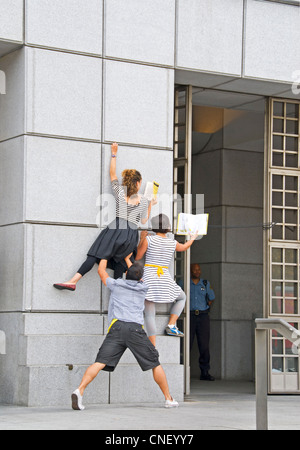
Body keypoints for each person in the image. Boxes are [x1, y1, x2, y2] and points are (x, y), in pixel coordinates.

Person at [71, 255, 179, 410]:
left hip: (117, 327)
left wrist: (104, 254)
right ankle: (168, 399)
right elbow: (136, 274)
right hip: (135, 329)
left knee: (99, 362)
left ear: (126, 274)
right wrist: (130, 262)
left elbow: (101, 271)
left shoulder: (116, 284)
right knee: (155, 363)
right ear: (140, 277)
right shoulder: (144, 288)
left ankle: (79, 390)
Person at [53, 142, 156, 291]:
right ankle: (118, 298)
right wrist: (151, 204)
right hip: (131, 234)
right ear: (139, 183)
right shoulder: (144, 200)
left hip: (116, 229)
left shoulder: (121, 193)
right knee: (121, 263)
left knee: (95, 255)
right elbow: (144, 220)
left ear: (126, 181)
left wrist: (114, 154)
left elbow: (112, 174)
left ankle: (74, 280)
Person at [136, 214, 197, 347]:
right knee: (182, 297)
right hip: (163, 275)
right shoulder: (172, 242)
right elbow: (185, 247)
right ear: (168, 227)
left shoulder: (149, 240)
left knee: (150, 314)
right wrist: (192, 238)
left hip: (149, 276)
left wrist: (141, 239)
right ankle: (171, 324)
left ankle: (153, 345)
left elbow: (138, 257)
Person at [189, 263, 215, 381]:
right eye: (195, 270)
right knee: (187, 345)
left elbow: (211, 298)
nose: (197, 272)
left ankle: (205, 372)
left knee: (204, 345)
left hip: (203, 316)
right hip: (189, 316)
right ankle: (184, 372)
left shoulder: (205, 283)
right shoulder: (184, 282)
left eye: (199, 270)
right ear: (190, 271)